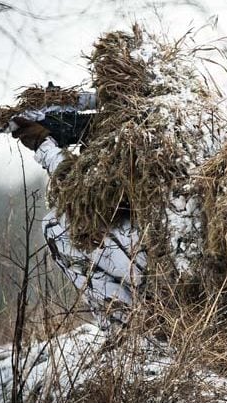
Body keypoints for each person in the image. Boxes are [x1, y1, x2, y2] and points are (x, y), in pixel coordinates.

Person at [11, 117, 145, 330]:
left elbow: (87, 195)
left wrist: (45, 147)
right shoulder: (187, 120)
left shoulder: (142, 130)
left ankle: (126, 327)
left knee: (55, 225)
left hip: (157, 264)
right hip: (182, 266)